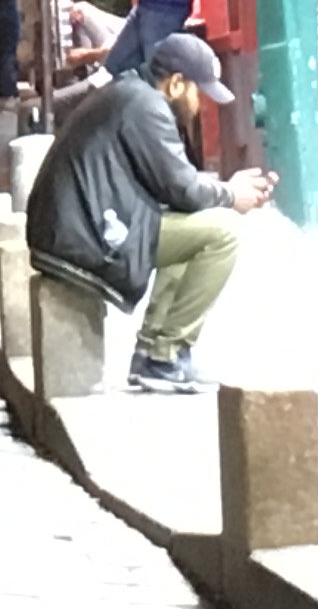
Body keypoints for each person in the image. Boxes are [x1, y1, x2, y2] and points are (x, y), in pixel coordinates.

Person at [26, 31, 273, 391]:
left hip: (73, 230)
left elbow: (176, 185)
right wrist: (231, 194)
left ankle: (155, 352)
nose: (200, 104)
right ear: (175, 83)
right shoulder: (146, 107)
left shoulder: (131, 94)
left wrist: (226, 189)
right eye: (198, 92)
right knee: (223, 232)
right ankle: (166, 354)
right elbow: (183, 188)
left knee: (194, 222)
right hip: (84, 239)